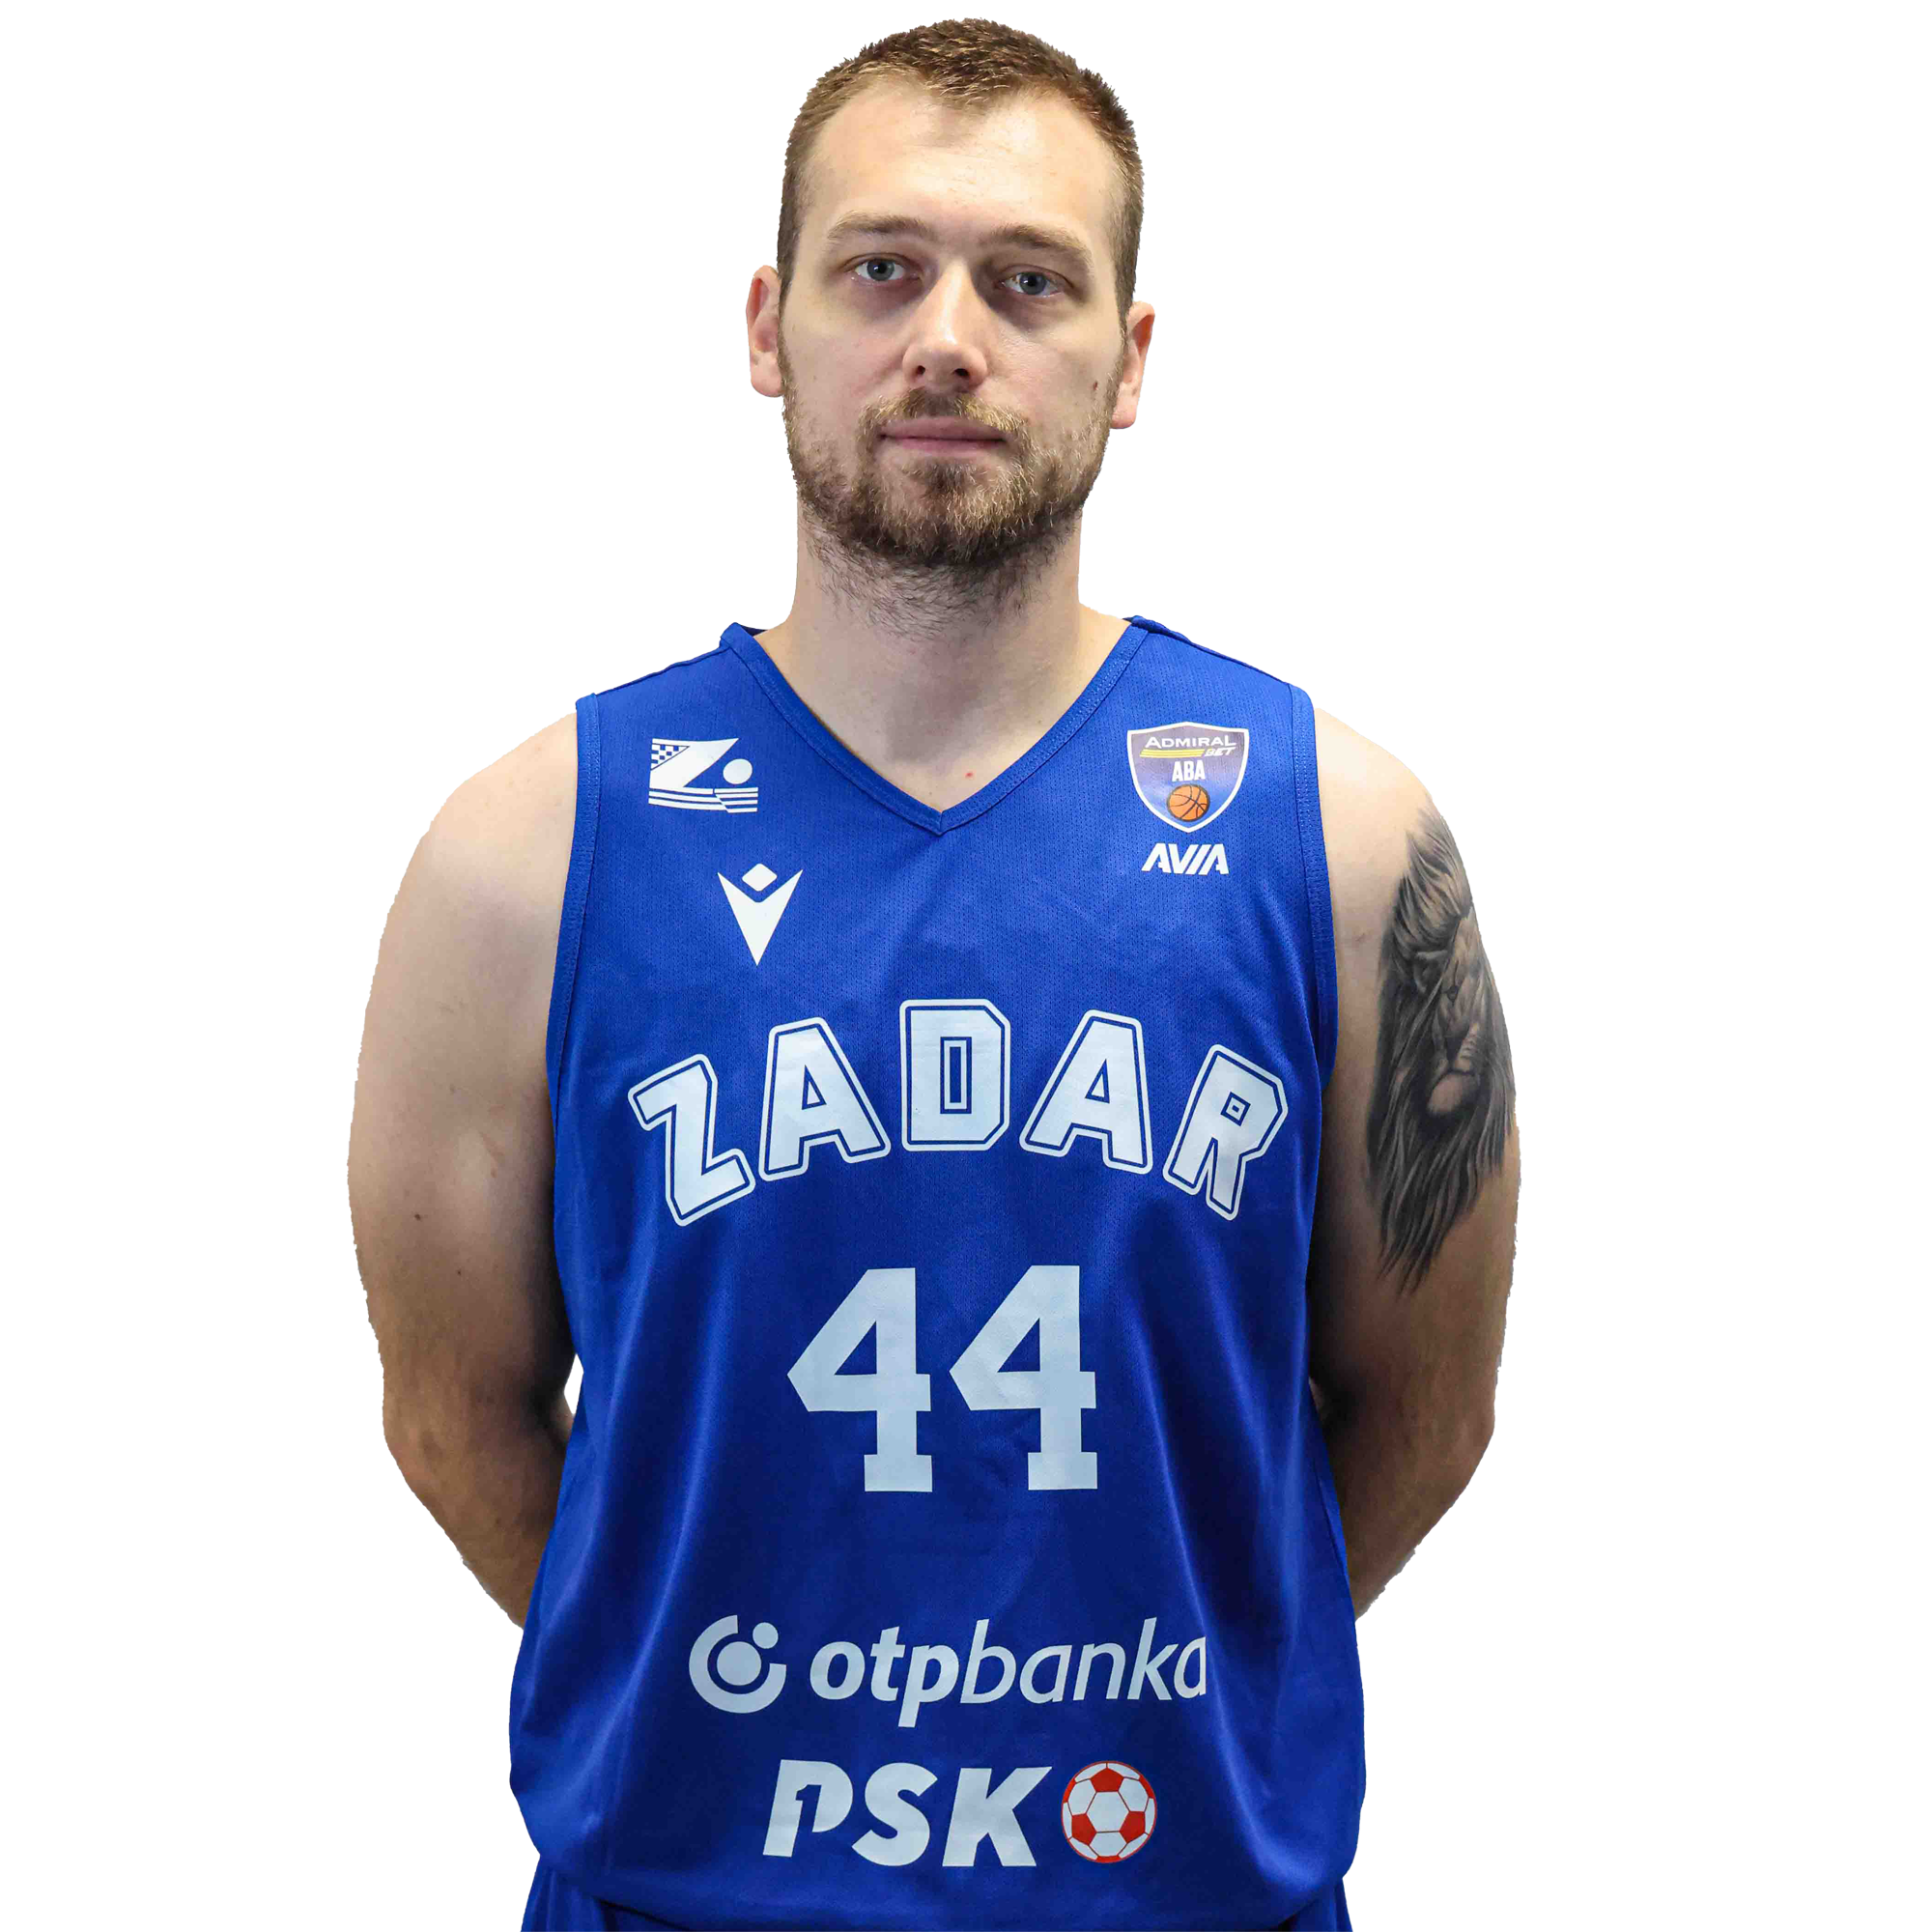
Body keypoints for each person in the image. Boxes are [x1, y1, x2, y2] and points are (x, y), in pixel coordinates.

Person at [349, 17, 1519, 1931]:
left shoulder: (1347, 840)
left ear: (1127, 358)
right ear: (769, 326)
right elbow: (447, 1410)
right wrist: (692, 1686)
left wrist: (1194, 1664)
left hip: (1174, 1893)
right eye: (881, 268)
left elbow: (1428, 1408)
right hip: (691, 1899)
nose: (949, 340)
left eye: (1030, 281)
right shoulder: (525, 852)